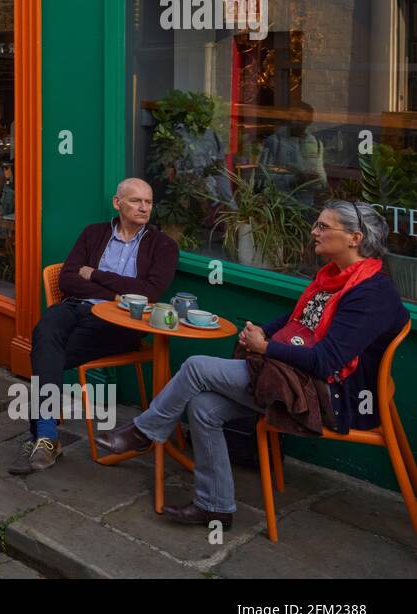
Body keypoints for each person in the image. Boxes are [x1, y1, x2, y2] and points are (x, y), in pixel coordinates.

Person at [96, 201, 407, 528]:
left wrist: (268, 347)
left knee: (196, 367)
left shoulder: (371, 293)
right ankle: (214, 505)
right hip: (291, 379)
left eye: (323, 227)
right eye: (316, 224)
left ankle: (144, 432)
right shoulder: (332, 277)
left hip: (329, 396)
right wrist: (264, 332)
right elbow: (296, 319)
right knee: (203, 406)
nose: (314, 232)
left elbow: (327, 360)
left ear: (354, 238)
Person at [8, 177, 179, 476]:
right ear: (117, 203)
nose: (143, 207)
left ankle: (43, 435)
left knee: (48, 352)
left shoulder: (163, 245)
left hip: (120, 322)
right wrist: (114, 289)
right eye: (135, 201)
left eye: (148, 202)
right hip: (75, 306)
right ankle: (47, 436)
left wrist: (97, 275)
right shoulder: (93, 234)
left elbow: (148, 292)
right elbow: (67, 279)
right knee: (45, 330)